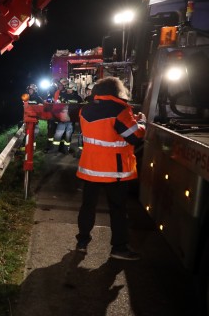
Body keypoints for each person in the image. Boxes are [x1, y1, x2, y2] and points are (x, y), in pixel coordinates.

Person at [75, 77, 146, 260]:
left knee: (87, 206)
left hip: (90, 168)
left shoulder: (86, 109)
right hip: (115, 171)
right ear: (117, 91)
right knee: (118, 209)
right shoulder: (121, 110)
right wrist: (142, 124)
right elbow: (134, 137)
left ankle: (82, 242)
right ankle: (119, 248)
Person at [48, 82, 82, 154]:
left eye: (69, 89)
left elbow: (81, 108)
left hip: (71, 120)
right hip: (63, 119)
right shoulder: (64, 96)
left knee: (68, 135)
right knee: (58, 134)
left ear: (74, 89)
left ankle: (66, 150)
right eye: (67, 88)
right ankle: (54, 150)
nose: (68, 90)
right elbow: (58, 105)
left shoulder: (79, 98)